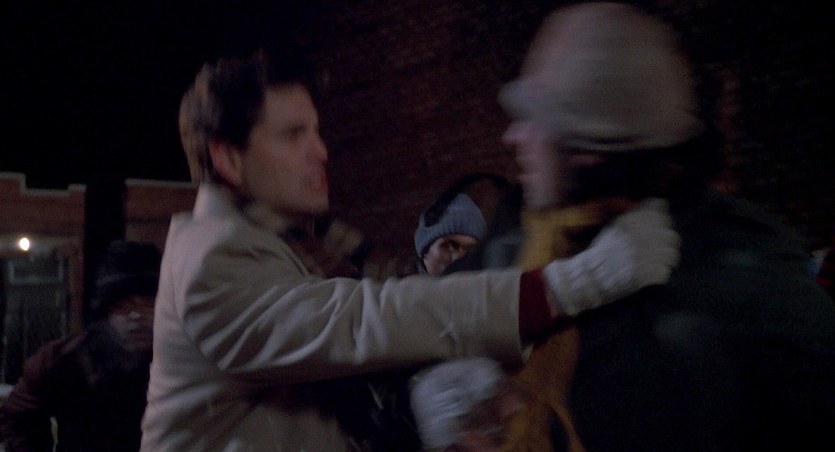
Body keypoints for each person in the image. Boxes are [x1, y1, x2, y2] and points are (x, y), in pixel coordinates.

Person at [139, 49, 681, 451]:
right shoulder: (212, 260)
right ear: (229, 160)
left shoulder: (299, 247)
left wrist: (411, 408)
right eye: (292, 135)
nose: (321, 151)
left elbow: (325, 380)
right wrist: (564, 286)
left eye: (317, 131)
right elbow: (360, 323)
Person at [493, 2, 835, 451]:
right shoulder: (532, 246)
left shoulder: (739, 305)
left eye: (533, 121)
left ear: (586, 149)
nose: (513, 137)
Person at [0, 240, 161, 452]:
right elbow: (20, 417)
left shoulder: (181, 360)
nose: (136, 316)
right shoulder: (66, 358)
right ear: (107, 311)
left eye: (148, 304)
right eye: (123, 305)